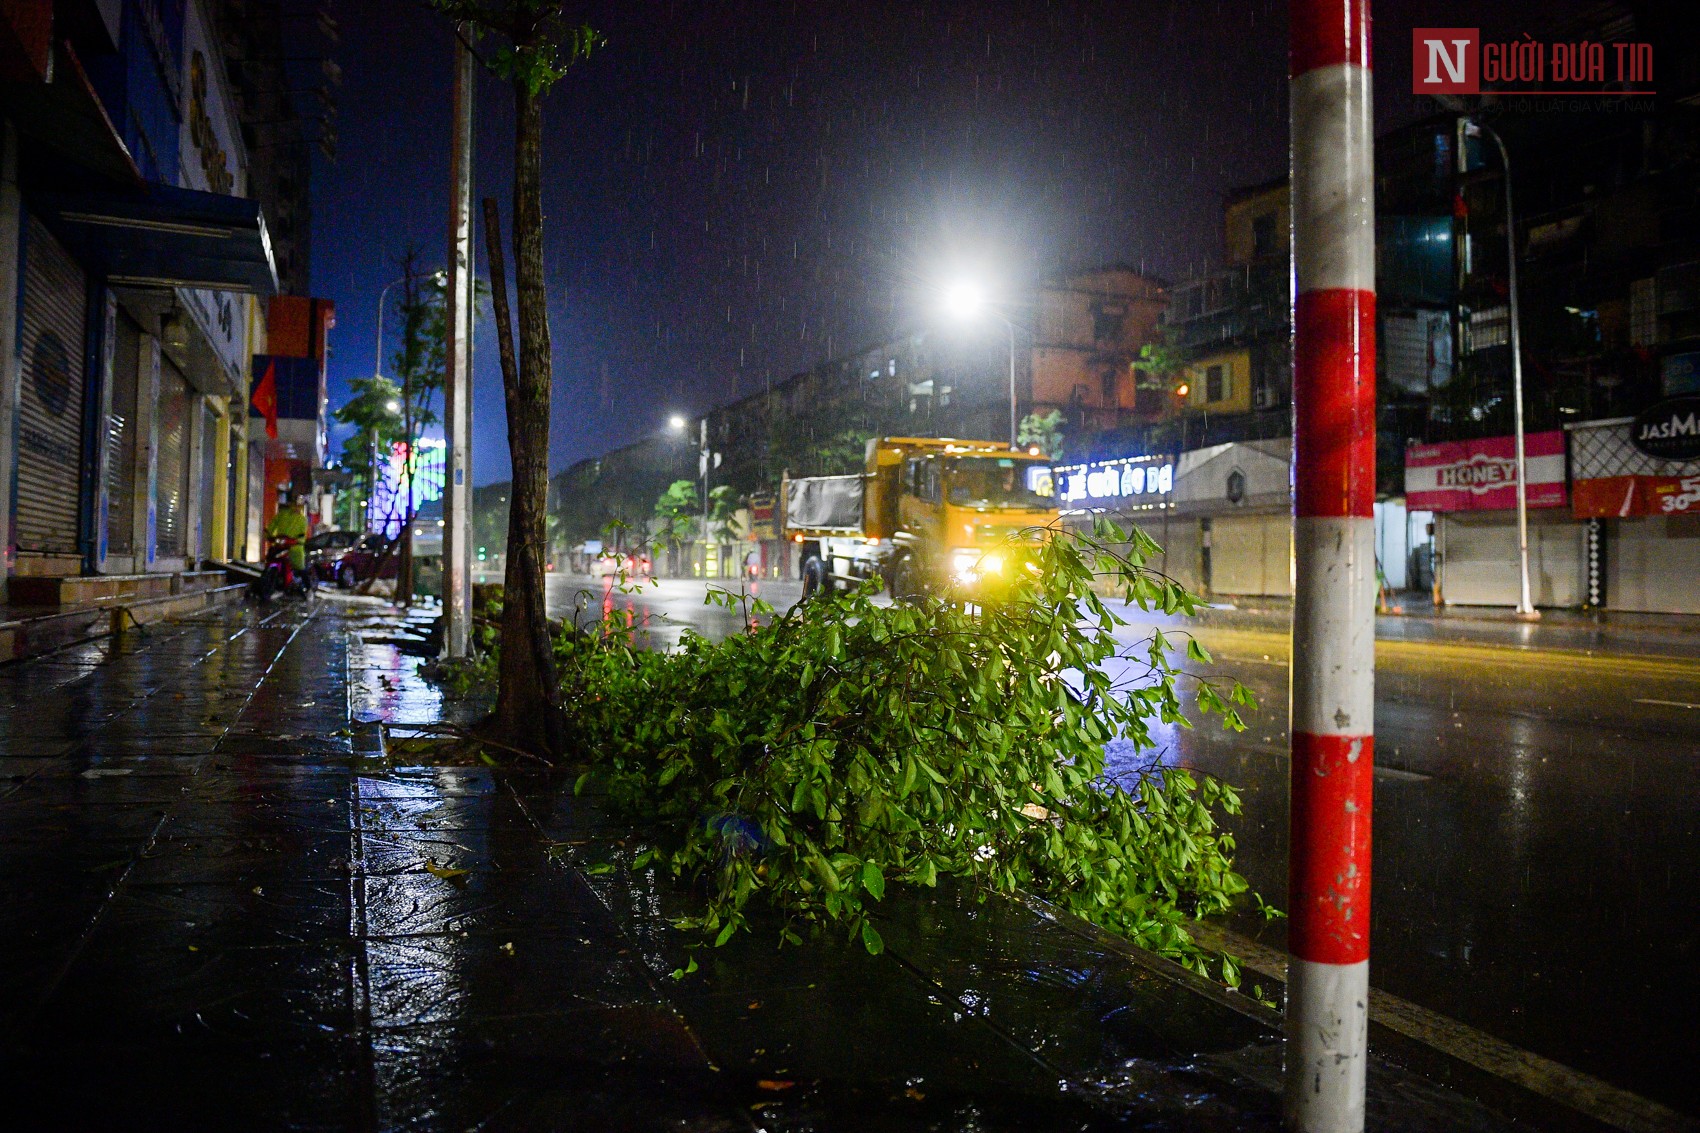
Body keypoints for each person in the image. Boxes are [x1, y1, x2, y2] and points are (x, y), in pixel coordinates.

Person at [264, 491, 310, 573]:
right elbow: (273, 525)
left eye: (299, 506)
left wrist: (299, 540)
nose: (297, 507)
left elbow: (303, 534)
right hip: (281, 544)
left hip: (294, 546)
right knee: (270, 558)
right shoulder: (283, 515)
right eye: (295, 505)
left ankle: (307, 585)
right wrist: (269, 534)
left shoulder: (302, 519)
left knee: (300, 568)